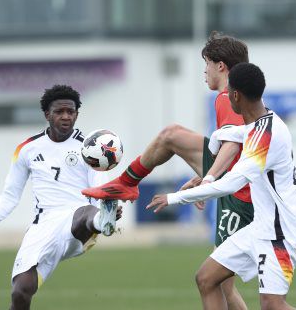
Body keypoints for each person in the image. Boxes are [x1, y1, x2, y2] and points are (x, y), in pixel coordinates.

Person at [83, 32, 254, 309]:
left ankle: (126, 182)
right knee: (220, 283)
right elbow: (242, 149)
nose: (205, 71)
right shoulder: (234, 97)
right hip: (238, 184)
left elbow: (234, 147)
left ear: (221, 66)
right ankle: (126, 182)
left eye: (207, 64)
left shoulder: (228, 98)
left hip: (242, 198)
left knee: (214, 281)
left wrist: (208, 182)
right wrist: (204, 178)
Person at [147, 63, 296, 310]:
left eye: (229, 91)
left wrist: (175, 198)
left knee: (273, 306)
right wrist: (208, 173)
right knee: (206, 278)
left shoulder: (265, 137)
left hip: (279, 233)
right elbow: (234, 134)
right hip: (260, 228)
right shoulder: (262, 122)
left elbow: (231, 184)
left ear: (235, 96)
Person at [0, 85, 122, 310]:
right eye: (59, 111)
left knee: (85, 211)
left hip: (78, 222)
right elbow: (10, 196)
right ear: (47, 114)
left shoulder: (90, 148)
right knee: (20, 292)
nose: (65, 117)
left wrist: (106, 208)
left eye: (70, 112)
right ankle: (102, 218)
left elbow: (100, 187)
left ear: (76, 114)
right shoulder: (27, 149)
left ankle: (104, 220)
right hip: (42, 227)